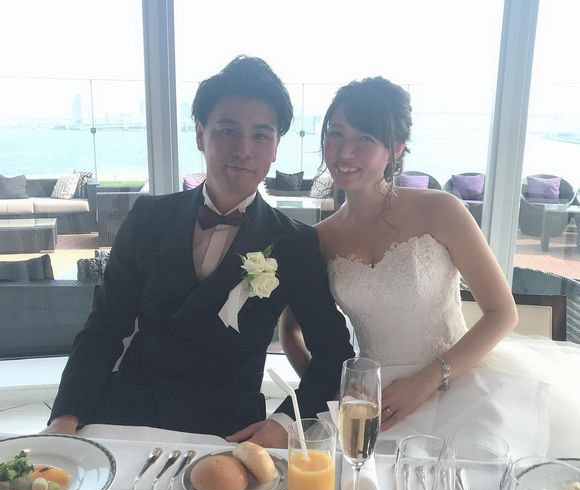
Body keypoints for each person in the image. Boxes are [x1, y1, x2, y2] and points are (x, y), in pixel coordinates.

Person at [45, 56, 354, 448]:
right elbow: (104, 327)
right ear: (199, 134)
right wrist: (66, 416)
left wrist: (285, 423)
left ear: (276, 147)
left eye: (261, 135)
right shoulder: (148, 218)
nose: (243, 149)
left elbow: (334, 353)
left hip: (227, 430)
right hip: (130, 414)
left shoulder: (294, 243)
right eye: (227, 130)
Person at [281, 76, 580, 456]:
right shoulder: (321, 238)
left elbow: (502, 313)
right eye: (336, 133)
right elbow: (290, 330)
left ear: (396, 148)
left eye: (365, 138)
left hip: (460, 384)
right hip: (379, 401)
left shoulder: (440, 209)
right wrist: (332, 389)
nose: (345, 151)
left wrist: (426, 381)